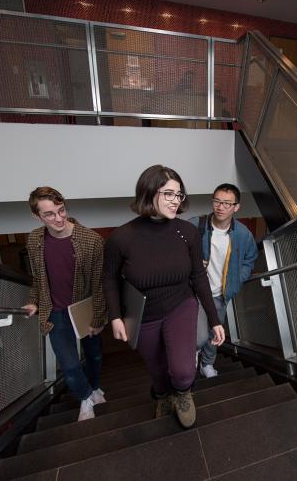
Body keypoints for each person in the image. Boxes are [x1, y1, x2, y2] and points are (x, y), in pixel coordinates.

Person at [104, 165, 223, 428]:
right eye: (168, 193)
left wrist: (214, 319)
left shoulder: (187, 232)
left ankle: (182, 394)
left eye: (179, 195)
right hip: (143, 314)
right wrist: (115, 317)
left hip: (181, 304)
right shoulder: (121, 238)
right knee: (157, 372)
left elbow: (199, 277)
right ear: (148, 192)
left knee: (182, 372)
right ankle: (162, 396)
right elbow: (110, 279)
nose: (175, 201)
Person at [22, 186, 107, 421]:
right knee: (70, 368)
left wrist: (99, 318)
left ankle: (95, 386)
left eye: (61, 210)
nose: (59, 218)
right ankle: (85, 396)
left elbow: (99, 285)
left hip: (85, 310)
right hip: (55, 313)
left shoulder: (92, 241)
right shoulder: (34, 240)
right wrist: (33, 301)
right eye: (50, 214)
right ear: (36, 216)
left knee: (94, 356)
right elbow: (37, 280)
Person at [189, 183, 258, 377]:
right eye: (217, 201)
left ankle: (207, 364)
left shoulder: (243, 234)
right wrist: (192, 262)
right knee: (199, 334)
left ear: (236, 207)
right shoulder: (196, 225)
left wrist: (239, 278)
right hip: (196, 292)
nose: (221, 207)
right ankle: (192, 354)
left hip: (221, 293)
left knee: (215, 332)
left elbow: (250, 259)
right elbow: (176, 252)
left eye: (227, 203)